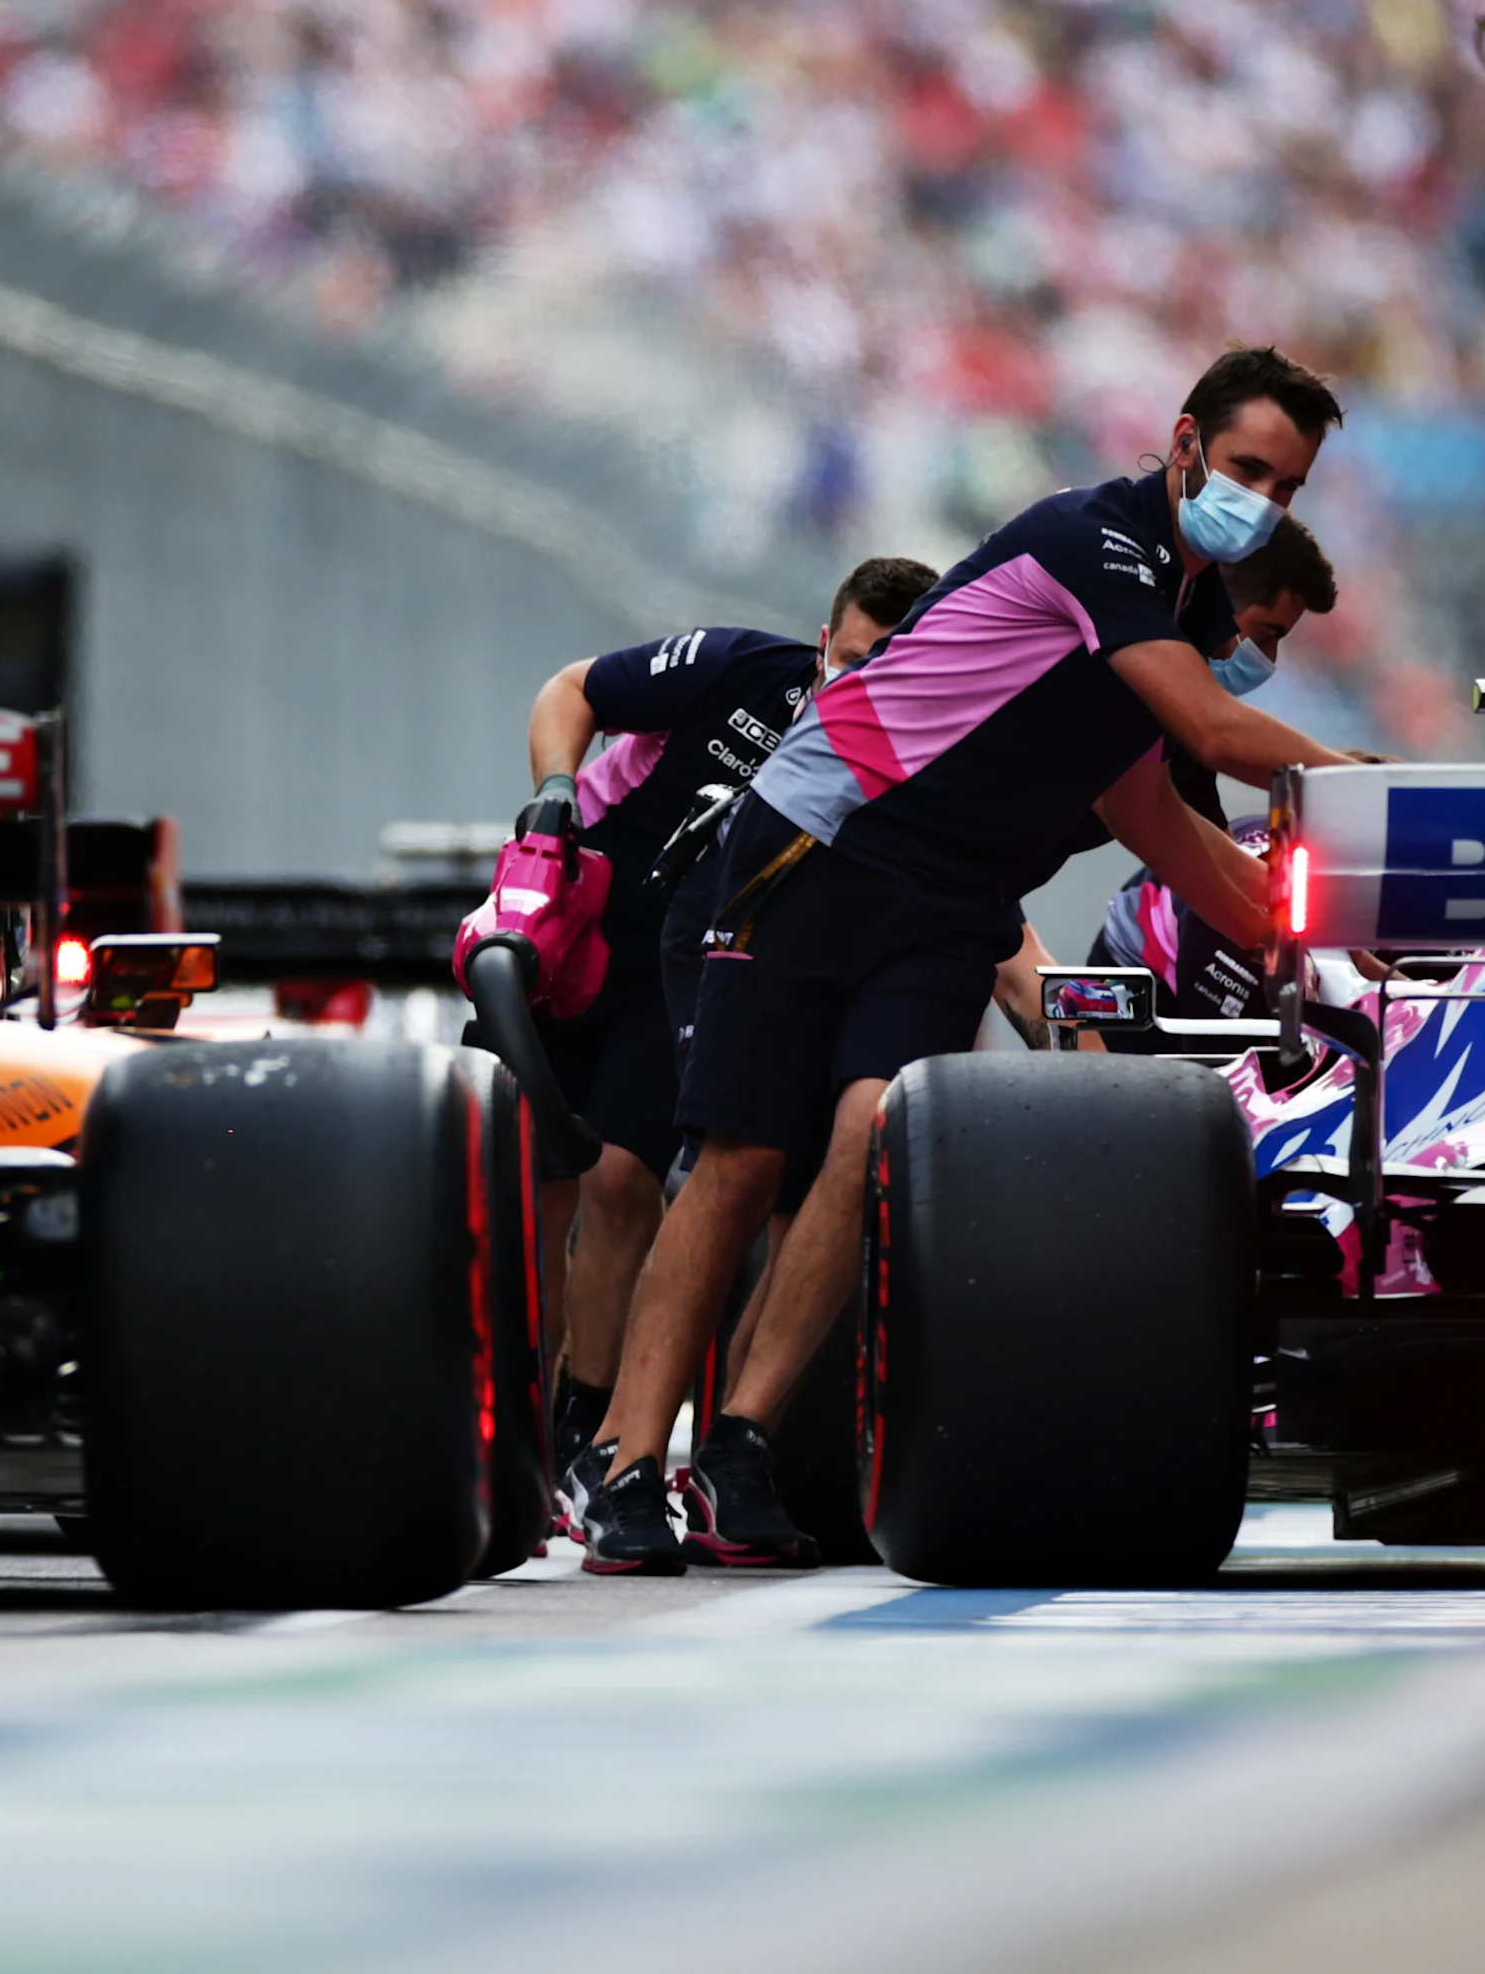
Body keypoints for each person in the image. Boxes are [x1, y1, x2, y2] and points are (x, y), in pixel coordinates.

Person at [569, 345, 1363, 1572]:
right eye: (1248, 467)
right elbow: (1207, 731)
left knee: (873, 1128)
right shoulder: (1093, 538)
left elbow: (1147, 807)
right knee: (738, 1155)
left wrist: (1320, 930)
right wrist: (1402, 799)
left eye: (1291, 486)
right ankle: (624, 1462)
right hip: (825, 833)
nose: (1261, 500)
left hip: (952, 894)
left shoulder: (1190, 608)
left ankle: (737, 1445)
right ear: (1185, 439)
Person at [517, 557, 939, 1491]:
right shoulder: (742, 667)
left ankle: (588, 1428)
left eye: (894, 665)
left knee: (620, 1179)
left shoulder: (912, 753)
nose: (865, 681)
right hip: (577, 916)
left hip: (702, 965)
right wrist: (554, 795)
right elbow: (572, 688)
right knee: (530, 1183)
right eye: (857, 658)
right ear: (826, 644)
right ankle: (514, 1421)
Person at [1079, 515, 1340, 1039]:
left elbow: (1217, 864)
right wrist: (1405, 802)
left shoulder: (1175, 740)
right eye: (1267, 633)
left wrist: (1352, 971)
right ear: (1216, 602)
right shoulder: (1120, 673)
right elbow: (1221, 738)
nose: (1268, 660)